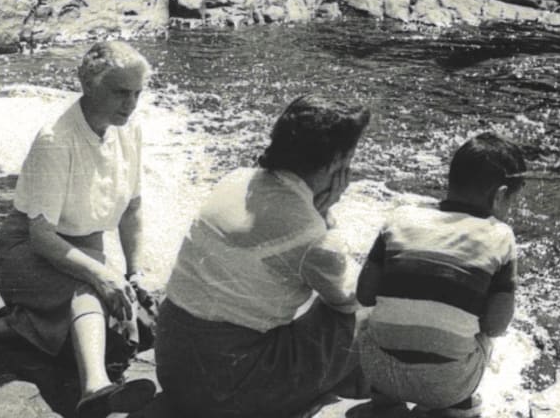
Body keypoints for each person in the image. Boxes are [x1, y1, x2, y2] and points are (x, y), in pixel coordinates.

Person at [0, 41, 156, 418]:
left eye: (137, 93)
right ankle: (95, 389)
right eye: (120, 92)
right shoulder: (56, 139)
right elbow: (41, 237)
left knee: (137, 325)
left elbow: (132, 209)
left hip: (84, 249)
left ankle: (9, 328)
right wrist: (103, 275)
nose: (130, 103)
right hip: (26, 251)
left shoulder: (129, 131)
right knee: (90, 291)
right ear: (87, 85)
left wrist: (135, 273)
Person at [154, 94, 372, 418]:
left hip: (171, 362)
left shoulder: (235, 178)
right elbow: (353, 299)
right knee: (365, 314)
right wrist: (327, 216)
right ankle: (367, 396)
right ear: (335, 163)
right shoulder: (310, 232)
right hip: (222, 388)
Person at [355, 132, 526, 418]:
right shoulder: (500, 236)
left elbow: (364, 294)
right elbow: (496, 325)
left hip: (378, 370)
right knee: (484, 333)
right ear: (499, 196)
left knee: (369, 317)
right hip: (446, 386)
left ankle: (385, 403)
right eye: (511, 201)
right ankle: (453, 409)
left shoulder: (400, 217)